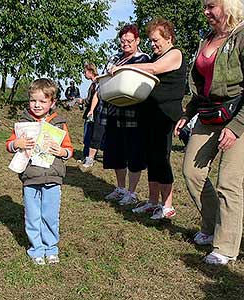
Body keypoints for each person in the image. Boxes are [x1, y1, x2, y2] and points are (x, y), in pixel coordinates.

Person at [174, 0, 244, 265]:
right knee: (191, 172)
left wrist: (236, 128)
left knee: (229, 181)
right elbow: (202, 85)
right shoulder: (207, 39)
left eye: (211, 6)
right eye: (204, 6)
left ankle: (225, 247)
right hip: (209, 113)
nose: (205, 12)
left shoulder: (242, 36)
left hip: (239, 115)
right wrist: (187, 113)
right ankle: (214, 225)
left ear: (228, 6)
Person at [113, 19, 187, 219]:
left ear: (169, 37)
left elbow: (154, 69)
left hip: (165, 115)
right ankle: (153, 201)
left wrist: (123, 69)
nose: (153, 44)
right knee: (152, 160)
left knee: (162, 159)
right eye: (151, 41)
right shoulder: (156, 56)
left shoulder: (175, 54)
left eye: (156, 40)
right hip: (149, 114)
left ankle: (168, 205)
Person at [6, 78, 74, 265]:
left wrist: (62, 152)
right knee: (33, 215)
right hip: (30, 177)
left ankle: (51, 248)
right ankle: (36, 249)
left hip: (53, 176)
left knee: (50, 215)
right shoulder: (22, 122)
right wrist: (16, 144)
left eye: (43, 101)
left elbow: (69, 149)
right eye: (33, 100)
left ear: (52, 102)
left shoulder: (59, 123)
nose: (37, 105)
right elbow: (9, 145)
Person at [100, 24, 150, 205]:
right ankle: (120, 188)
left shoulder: (143, 58)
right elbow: (105, 77)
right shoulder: (114, 58)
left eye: (129, 41)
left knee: (134, 152)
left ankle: (132, 191)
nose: (126, 44)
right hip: (113, 111)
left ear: (137, 41)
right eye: (123, 41)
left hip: (133, 114)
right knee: (116, 152)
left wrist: (118, 72)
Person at [78, 63, 98, 159]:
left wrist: (82, 101)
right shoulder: (97, 82)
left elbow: (91, 99)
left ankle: (87, 156)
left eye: (85, 72)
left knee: (88, 134)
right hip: (95, 112)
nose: (84, 74)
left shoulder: (96, 83)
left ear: (90, 71)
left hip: (92, 113)